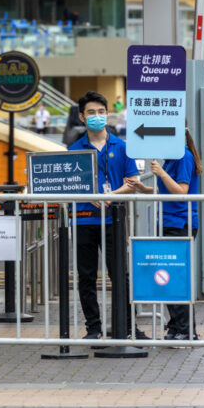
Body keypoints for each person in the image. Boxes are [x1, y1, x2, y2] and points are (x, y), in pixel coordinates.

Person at [68, 91, 146, 341]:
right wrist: (90, 196)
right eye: (91, 112)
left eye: (101, 112)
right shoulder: (74, 149)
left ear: (108, 114)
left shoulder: (122, 147)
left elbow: (133, 181)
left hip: (114, 219)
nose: (97, 117)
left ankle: (127, 326)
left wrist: (110, 194)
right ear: (82, 116)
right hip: (83, 219)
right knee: (86, 276)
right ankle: (93, 328)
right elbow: (71, 185)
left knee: (119, 273)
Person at [126, 129, 202, 341]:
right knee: (168, 277)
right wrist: (143, 188)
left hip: (180, 222)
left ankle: (187, 330)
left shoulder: (184, 156)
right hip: (168, 222)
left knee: (176, 277)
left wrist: (161, 173)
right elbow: (166, 191)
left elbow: (181, 191)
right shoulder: (172, 158)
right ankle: (176, 326)